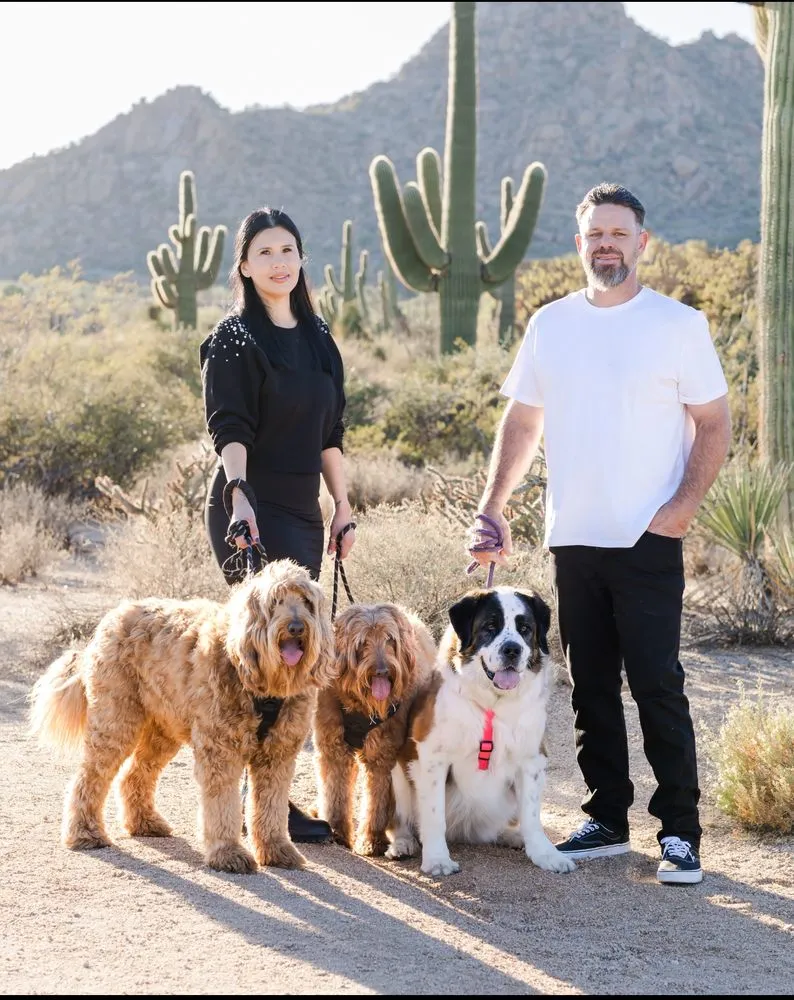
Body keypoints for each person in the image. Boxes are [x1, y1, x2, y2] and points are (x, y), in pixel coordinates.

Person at [467, 183, 731, 885]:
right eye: (595, 234)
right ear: (579, 242)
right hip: (574, 538)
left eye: (620, 233)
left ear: (643, 243)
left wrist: (680, 510)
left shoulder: (679, 325)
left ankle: (679, 830)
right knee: (589, 687)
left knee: (656, 684)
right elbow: (522, 425)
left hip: (648, 539)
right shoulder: (551, 325)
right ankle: (607, 817)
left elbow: (714, 423)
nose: (607, 244)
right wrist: (492, 509)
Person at [199, 206, 356, 844]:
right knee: (260, 653)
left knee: (297, 652)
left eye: (287, 249)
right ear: (243, 265)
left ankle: (272, 797)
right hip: (250, 507)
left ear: (300, 258)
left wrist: (342, 506)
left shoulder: (319, 338)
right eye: (264, 251)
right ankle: (254, 802)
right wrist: (240, 496)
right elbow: (228, 428)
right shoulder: (234, 339)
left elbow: (332, 434)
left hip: (303, 511)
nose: (278, 262)